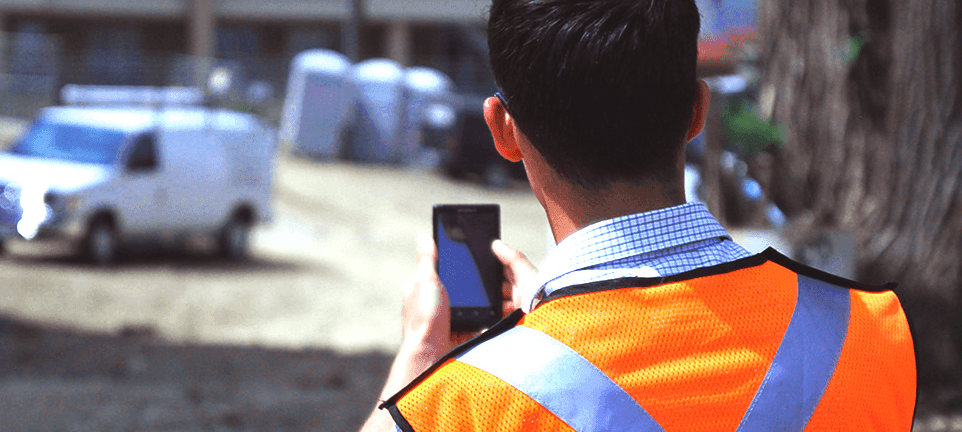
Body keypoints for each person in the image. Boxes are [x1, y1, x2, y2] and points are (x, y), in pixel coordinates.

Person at [361, 0, 917, 430]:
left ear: (503, 130)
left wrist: (424, 354)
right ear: (698, 111)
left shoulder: (461, 403)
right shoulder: (870, 331)